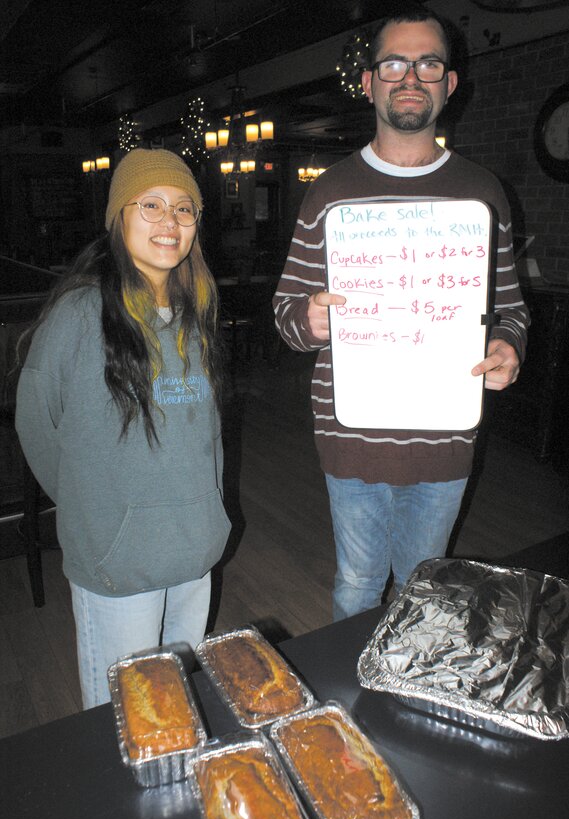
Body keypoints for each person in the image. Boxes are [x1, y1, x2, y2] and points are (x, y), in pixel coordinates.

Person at [273, 8, 529, 621]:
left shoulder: (483, 191)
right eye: (394, 62)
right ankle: (354, 713)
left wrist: (507, 348)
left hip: (445, 436)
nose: (410, 76)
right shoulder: (329, 191)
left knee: (429, 592)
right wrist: (307, 321)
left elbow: (512, 310)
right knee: (358, 584)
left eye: (429, 63)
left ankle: (407, 703)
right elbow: (284, 314)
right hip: (351, 437)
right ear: (369, 82)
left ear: (449, 84)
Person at [16, 148, 231, 707]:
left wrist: (208, 515)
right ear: (119, 217)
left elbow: (205, 438)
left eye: (185, 209)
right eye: (151, 204)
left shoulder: (197, 313)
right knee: (126, 718)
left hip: (194, 551)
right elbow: (37, 423)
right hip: (119, 562)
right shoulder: (78, 316)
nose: (170, 221)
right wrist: (97, 513)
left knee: (179, 702)